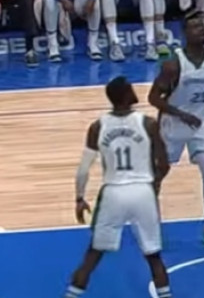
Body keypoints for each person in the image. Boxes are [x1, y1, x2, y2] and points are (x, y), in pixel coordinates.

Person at [65, 76, 172, 298]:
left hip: (113, 192)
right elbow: (164, 163)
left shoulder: (97, 127)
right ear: (124, 95)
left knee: (93, 255)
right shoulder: (148, 123)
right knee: (153, 256)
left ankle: (71, 295)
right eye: (130, 88)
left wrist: (79, 198)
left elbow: (83, 169)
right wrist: (153, 184)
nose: (134, 91)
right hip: (143, 191)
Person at [148, 12, 204, 249]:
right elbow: (153, 98)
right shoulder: (173, 64)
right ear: (184, 34)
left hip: (200, 125)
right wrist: (181, 114)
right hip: (172, 125)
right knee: (158, 175)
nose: (200, 31)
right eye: (194, 28)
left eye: (202, 27)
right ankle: (150, 225)